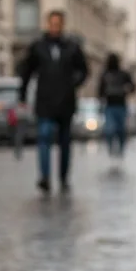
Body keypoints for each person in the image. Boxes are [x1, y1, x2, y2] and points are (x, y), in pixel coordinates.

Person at [19, 10, 88, 194]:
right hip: (45, 101)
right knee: (44, 136)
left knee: (64, 141)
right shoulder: (38, 47)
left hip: (66, 101)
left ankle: (63, 177)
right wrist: (22, 96)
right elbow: (27, 72)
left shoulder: (72, 47)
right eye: (52, 24)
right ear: (48, 24)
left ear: (62, 25)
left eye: (58, 24)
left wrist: (73, 83)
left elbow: (83, 70)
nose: (55, 27)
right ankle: (45, 177)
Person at [98, 53, 135, 157]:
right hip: (110, 106)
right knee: (110, 129)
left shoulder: (123, 74)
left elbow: (133, 87)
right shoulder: (105, 75)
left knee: (120, 129)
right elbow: (100, 90)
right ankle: (111, 147)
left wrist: (126, 90)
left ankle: (120, 148)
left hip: (120, 105)